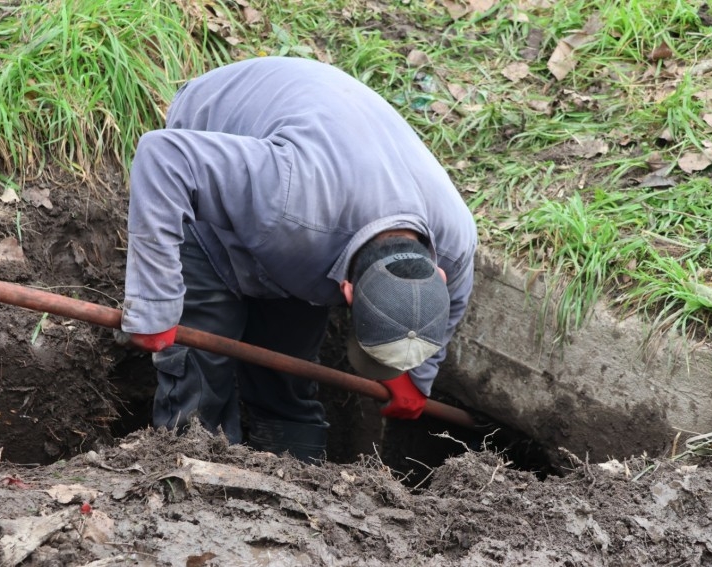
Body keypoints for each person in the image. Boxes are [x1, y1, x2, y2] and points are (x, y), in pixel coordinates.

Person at [120, 57, 477, 462]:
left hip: (312, 207)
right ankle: (195, 474)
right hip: (211, 155)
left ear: (439, 272)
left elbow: (454, 306)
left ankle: (299, 481)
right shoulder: (288, 197)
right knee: (202, 369)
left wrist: (413, 375)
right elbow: (163, 158)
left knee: (286, 371)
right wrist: (155, 306)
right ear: (347, 290)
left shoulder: (455, 240)